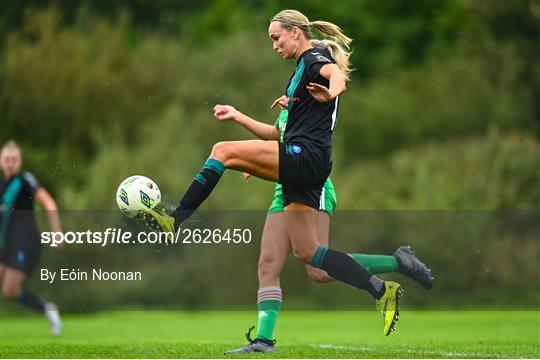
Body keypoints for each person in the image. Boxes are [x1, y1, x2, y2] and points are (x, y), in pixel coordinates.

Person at [145, 8, 430, 343]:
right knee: (309, 255)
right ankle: (380, 290)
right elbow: (278, 133)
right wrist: (254, 147)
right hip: (302, 166)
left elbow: (336, 75)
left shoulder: (314, 59)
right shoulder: (300, 72)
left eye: (276, 38)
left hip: (306, 160)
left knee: (222, 150)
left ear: (296, 32)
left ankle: (175, 220)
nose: (275, 45)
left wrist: (334, 91)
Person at [214, 102, 431, 352]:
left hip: (312, 188)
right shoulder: (292, 97)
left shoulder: (315, 93)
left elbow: (314, 134)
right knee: (268, 264)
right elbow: (275, 134)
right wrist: (239, 119)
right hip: (283, 189)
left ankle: (398, 262)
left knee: (319, 270)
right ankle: (263, 341)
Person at [0, 140, 63, 336]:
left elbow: (49, 203)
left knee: (10, 289)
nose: (10, 162)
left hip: (25, 243)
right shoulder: (1, 187)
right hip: (6, 245)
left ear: (19, 162)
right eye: (6, 159)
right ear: (1, 161)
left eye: (14, 159)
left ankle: (47, 309)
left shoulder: (25, 180)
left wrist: (57, 232)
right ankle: (46, 308)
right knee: (8, 291)